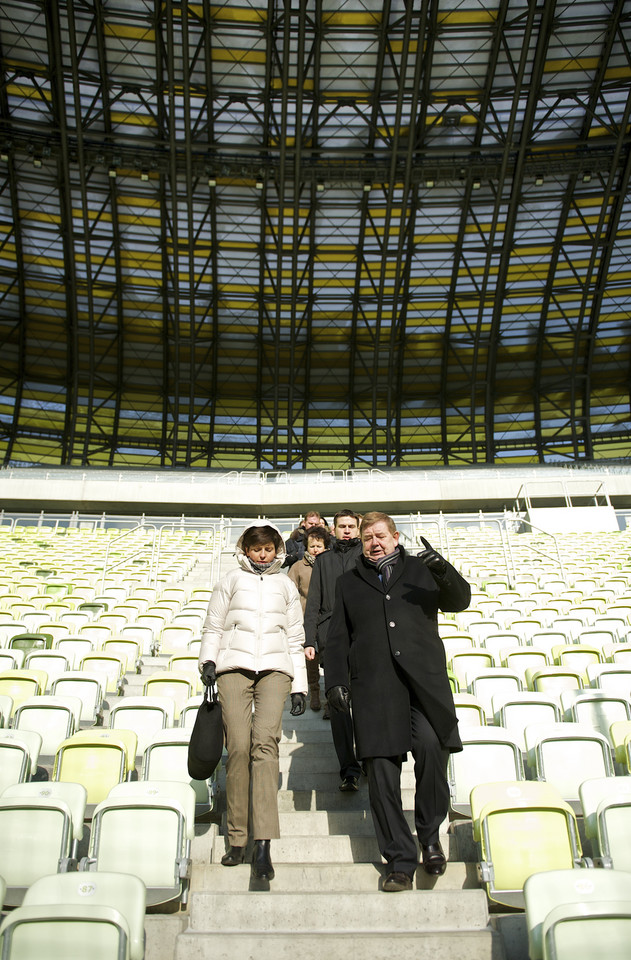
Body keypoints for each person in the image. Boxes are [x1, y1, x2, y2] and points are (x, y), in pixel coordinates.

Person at [324, 512, 471, 892]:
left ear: (395, 536)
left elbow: (459, 601)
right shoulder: (347, 582)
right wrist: (335, 681)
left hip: (424, 687)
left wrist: (442, 568)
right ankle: (400, 861)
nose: (374, 542)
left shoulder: (422, 570)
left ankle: (430, 837)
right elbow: (338, 636)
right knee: (383, 776)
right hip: (374, 689)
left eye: (380, 536)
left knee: (431, 748)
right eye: (367, 537)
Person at [198, 520, 308, 881]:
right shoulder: (229, 581)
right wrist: (209, 661)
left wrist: (300, 686)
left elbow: (295, 637)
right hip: (234, 668)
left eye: (269, 548)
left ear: (277, 549)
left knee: (266, 745)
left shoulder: (286, 585)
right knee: (240, 748)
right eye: (256, 548)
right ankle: (237, 838)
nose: (263, 554)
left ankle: (263, 843)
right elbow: (213, 626)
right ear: (245, 549)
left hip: (276, 669)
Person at [304, 508, 363, 790]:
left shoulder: (367, 555)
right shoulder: (322, 561)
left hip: (364, 638)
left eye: (352, 526)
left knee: (364, 702)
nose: (347, 530)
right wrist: (309, 639)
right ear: (334, 530)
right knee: (339, 704)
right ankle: (348, 769)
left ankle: (370, 757)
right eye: (342, 526)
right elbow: (313, 603)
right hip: (331, 639)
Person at [287, 524, 331, 711]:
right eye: (311, 546)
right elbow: (289, 593)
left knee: (330, 662)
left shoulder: (331, 564)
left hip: (328, 622)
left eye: (318, 546)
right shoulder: (298, 567)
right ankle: (314, 694)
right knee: (310, 662)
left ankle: (330, 700)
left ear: (325, 547)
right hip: (307, 622)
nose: (315, 549)